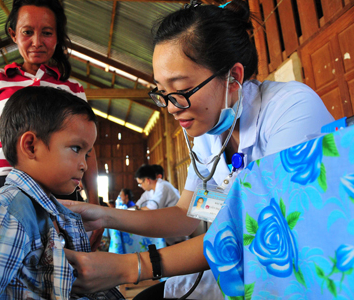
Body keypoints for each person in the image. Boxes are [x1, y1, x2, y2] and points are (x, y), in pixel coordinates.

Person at [60, 1, 334, 298]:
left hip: (305, 275)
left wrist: (131, 267)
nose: (169, 107)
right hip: (243, 271)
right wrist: (103, 216)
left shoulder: (290, 109)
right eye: (161, 93)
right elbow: (187, 214)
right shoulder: (209, 136)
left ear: (234, 77)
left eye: (179, 89)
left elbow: (267, 228)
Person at [0, 86, 123, 299]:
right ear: (31, 146)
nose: (84, 165)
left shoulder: (46, 209)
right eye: (76, 149)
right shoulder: (7, 211)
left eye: (87, 153)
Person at [0, 0, 99, 215]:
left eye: (47, 33)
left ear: (57, 36)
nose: (37, 42)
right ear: (14, 35)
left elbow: (87, 149)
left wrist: (94, 201)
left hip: (58, 188)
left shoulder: (73, 89)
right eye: (27, 32)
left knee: (58, 249)